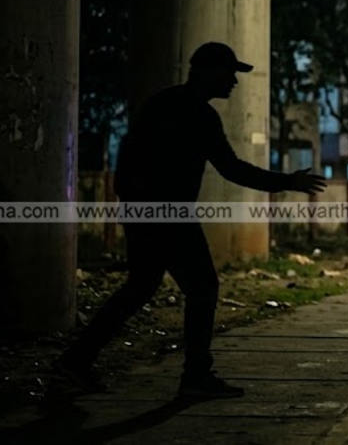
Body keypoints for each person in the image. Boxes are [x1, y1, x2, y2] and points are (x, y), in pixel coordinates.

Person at [56, 42, 327, 399]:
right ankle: (195, 377)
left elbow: (128, 153)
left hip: (142, 210)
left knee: (141, 287)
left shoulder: (162, 102)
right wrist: (287, 182)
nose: (233, 80)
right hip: (168, 213)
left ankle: (76, 361)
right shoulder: (199, 115)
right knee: (202, 288)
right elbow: (231, 169)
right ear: (207, 71)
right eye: (228, 72)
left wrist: (131, 203)